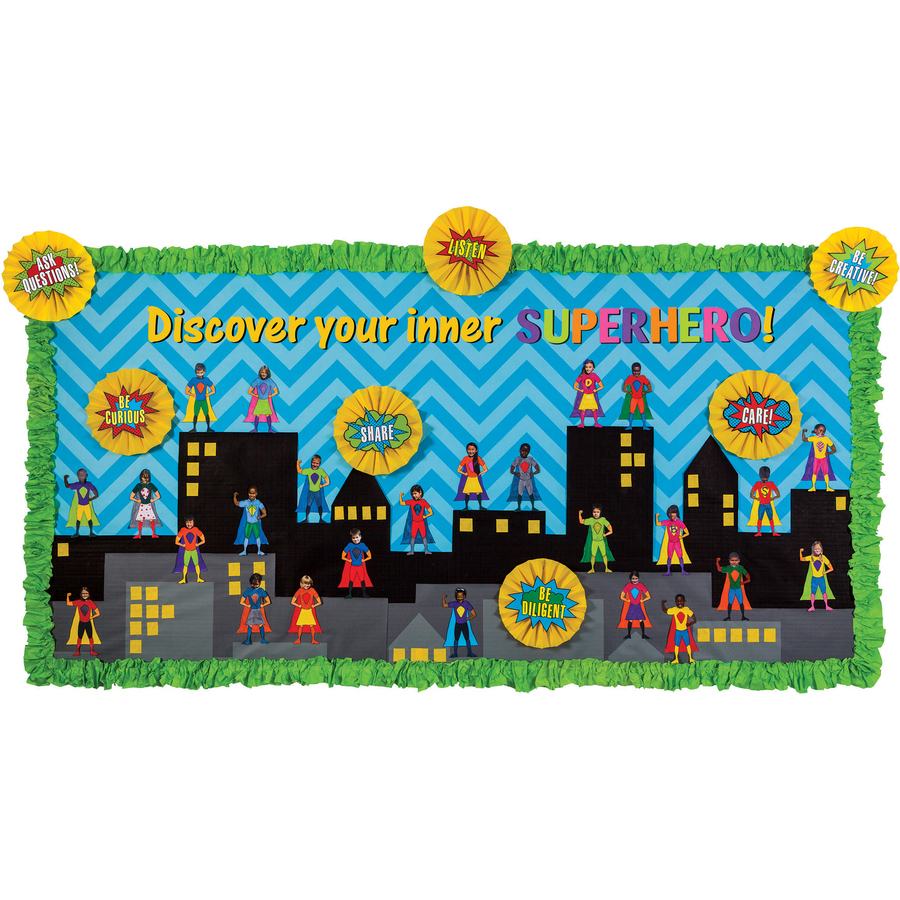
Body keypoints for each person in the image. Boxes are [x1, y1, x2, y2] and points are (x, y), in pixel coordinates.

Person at [399, 485, 435, 555]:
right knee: (413, 537)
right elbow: (401, 503)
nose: (414, 495)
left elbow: (431, 512)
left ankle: (426, 550)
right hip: (414, 523)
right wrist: (400, 496)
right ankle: (412, 551)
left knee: (424, 536)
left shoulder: (423, 501)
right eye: (412, 494)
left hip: (421, 522)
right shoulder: (411, 501)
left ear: (420, 492)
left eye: (415, 493)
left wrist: (425, 516)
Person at [442, 588, 477, 658]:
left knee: (467, 639)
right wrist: (443, 598)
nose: (460, 598)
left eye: (461, 597)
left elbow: (474, 614)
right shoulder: (454, 604)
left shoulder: (466, 603)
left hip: (464, 624)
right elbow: (444, 605)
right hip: (457, 625)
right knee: (456, 639)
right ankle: (455, 653)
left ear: (464, 596)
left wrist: (468, 618)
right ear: (456, 597)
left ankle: (470, 653)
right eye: (458, 597)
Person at [662, 594, 697, 664]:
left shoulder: (686, 609)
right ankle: (676, 659)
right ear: (675, 602)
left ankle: (690, 658)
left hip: (685, 631)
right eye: (677, 601)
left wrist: (690, 624)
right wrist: (662, 604)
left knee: (688, 644)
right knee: (676, 645)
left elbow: (694, 619)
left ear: (684, 602)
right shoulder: (674, 610)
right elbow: (665, 611)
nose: (679, 603)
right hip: (678, 631)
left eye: (681, 601)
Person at [800, 424, 837, 491]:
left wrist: (828, 453)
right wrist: (803, 432)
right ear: (816, 430)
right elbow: (804, 439)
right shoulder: (814, 438)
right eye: (820, 430)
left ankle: (827, 487)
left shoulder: (826, 439)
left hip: (823, 459)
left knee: (825, 473)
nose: (822, 433)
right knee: (814, 473)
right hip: (816, 459)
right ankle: (813, 487)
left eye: (823, 431)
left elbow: (834, 450)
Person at [63, 469, 100, 535]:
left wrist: (91, 499)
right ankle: (77, 533)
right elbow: (67, 486)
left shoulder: (89, 484)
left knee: (89, 519)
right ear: (77, 477)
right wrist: (65, 478)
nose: (81, 477)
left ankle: (91, 532)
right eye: (79, 475)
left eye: (83, 475)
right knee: (78, 519)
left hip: (87, 506)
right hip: (80, 506)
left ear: (86, 475)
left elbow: (96, 495)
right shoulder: (77, 485)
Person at [655, 505, 690, 575]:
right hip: (670, 543)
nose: (672, 515)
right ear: (669, 514)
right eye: (671, 513)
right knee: (669, 557)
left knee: (680, 556)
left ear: (677, 513)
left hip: (677, 543)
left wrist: (681, 537)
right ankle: (668, 571)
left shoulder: (679, 522)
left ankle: (683, 570)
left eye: (674, 513)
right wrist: (656, 516)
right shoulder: (668, 522)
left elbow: (687, 533)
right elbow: (658, 523)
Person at [800, 541, 834, 611]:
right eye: (815, 549)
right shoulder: (811, 557)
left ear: (821, 549)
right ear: (813, 550)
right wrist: (800, 552)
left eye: (819, 548)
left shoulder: (823, 558)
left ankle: (826, 606)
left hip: (821, 578)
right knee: (813, 593)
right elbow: (802, 559)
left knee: (824, 592)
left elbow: (831, 568)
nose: (817, 550)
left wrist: (825, 572)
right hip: (814, 579)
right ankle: (812, 606)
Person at [579, 505, 614, 573]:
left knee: (604, 555)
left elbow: (611, 530)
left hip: (601, 541)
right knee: (593, 555)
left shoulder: (603, 520)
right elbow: (581, 521)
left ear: (600, 512)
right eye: (594, 512)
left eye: (597, 512)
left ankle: (606, 568)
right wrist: (579, 514)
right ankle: (592, 569)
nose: (596, 513)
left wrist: (605, 534)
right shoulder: (591, 520)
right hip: (594, 541)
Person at [128, 469, 162, 538]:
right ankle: (139, 534)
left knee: (151, 519)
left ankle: (153, 533)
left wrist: (153, 500)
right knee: (141, 520)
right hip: (142, 506)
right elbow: (131, 497)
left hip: (149, 505)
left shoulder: (151, 485)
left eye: (147, 477)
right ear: (141, 477)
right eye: (144, 477)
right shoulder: (138, 486)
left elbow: (158, 496)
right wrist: (137, 500)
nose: (145, 479)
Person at [238, 574, 271, 644]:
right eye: (253, 584)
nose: (255, 586)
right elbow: (241, 601)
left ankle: (262, 639)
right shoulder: (249, 590)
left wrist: (263, 605)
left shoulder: (261, 590)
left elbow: (268, 601)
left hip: (258, 610)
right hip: (252, 610)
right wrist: (247, 605)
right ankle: (248, 640)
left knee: (260, 624)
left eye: (257, 584)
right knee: (250, 625)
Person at [244, 365, 279, 433]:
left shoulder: (269, 381)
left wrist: (271, 395)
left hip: (266, 401)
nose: (264, 374)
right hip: (259, 401)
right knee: (257, 414)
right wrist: (255, 395)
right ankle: (255, 429)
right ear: (260, 373)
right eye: (262, 372)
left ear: (268, 373)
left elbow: (276, 392)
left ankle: (269, 429)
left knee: (267, 414)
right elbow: (249, 391)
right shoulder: (257, 380)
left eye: (265, 373)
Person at [716, 552, 751, 620]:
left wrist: (745, 582)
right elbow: (719, 569)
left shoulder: (740, 568)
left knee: (741, 603)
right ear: (729, 561)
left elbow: (747, 575)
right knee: (730, 603)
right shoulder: (728, 568)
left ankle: (743, 616)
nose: (734, 562)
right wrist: (717, 562)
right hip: (731, 589)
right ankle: (729, 616)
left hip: (738, 589)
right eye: (732, 560)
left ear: (739, 560)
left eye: (736, 560)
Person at [233, 487, 267, 556]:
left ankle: (259, 551)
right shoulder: (246, 502)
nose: (252, 495)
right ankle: (244, 551)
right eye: (250, 493)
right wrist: (234, 496)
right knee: (246, 537)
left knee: (257, 537)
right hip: (248, 524)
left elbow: (265, 513)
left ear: (256, 494)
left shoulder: (258, 502)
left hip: (255, 523)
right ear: (248, 494)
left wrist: (260, 517)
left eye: (253, 493)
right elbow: (236, 503)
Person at [507, 442, 541, 510]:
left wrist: (533, 474)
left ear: (528, 452)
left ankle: (533, 507)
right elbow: (511, 469)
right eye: (523, 450)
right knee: (520, 494)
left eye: (526, 451)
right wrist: (516, 474)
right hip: (521, 480)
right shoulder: (518, 459)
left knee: (531, 493)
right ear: (520, 450)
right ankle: (519, 507)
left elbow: (538, 469)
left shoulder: (530, 459)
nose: (524, 452)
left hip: (528, 480)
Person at [748, 466, 781, 536]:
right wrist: (772, 498)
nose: (764, 479)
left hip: (766, 505)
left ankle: (772, 532)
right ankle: (760, 532)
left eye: (765, 477)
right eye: (764, 477)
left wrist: (756, 498)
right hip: (763, 505)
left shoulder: (764, 484)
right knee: (761, 518)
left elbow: (778, 494)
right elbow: (778, 494)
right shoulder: (762, 484)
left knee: (769, 518)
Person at [570, 359, 604, 427]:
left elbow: (601, 386)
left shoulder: (594, 375)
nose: (588, 369)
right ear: (584, 368)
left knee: (594, 409)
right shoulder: (582, 376)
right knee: (583, 410)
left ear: (593, 368)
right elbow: (575, 386)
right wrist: (580, 390)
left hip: (591, 396)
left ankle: (596, 423)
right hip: (585, 396)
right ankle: (582, 424)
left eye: (590, 367)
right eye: (586, 367)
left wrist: (596, 390)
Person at [455, 442, 489, 509]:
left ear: (476, 450)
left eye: (472, 449)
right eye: (469, 449)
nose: (470, 451)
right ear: (466, 450)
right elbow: (458, 470)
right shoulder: (465, 458)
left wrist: (479, 473)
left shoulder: (478, 458)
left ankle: (480, 506)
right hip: (469, 479)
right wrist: (464, 473)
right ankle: (466, 507)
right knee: (467, 493)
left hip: (475, 479)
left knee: (478, 492)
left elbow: (485, 469)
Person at [67, 587, 100, 657]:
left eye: (86, 593)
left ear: (88, 594)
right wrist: (67, 596)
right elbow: (68, 603)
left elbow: (98, 613)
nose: (85, 595)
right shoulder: (79, 602)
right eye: (83, 593)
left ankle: (92, 651)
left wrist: (92, 617)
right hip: (81, 623)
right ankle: (77, 651)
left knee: (90, 637)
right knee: (79, 637)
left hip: (88, 623)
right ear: (81, 594)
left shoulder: (91, 602)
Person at [340, 528, 372, 598]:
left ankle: (364, 594)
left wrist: (364, 560)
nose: (355, 539)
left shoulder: (362, 545)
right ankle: (350, 594)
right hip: (353, 567)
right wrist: (348, 560)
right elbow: (343, 556)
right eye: (353, 538)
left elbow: (369, 556)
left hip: (360, 567)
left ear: (360, 537)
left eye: (357, 537)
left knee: (362, 580)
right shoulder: (350, 545)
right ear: (351, 538)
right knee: (351, 580)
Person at [297, 455, 330, 523]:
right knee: (308, 505)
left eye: (317, 463)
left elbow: (327, 481)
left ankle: (320, 519)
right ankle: (306, 519)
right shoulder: (309, 470)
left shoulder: (320, 471)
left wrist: (322, 485)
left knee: (319, 505)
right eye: (313, 463)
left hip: (318, 492)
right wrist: (297, 463)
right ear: (311, 462)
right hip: (310, 492)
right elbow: (299, 471)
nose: (315, 465)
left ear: (319, 464)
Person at [289, 575, 323, 644]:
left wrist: (314, 605)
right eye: (305, 583)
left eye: (308, 584)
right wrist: (298, 605)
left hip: (309, 611)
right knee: (300, 625)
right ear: (302, 583)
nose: (307, 585)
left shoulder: (312, 590)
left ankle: (313, 640)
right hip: (303, 611)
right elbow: (292, 601)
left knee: (311, 625)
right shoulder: (300, 590)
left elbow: (319, 602)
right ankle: (299, 639)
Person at [184, 362, 216, 432]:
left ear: (204, 372)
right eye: (198, 372)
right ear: (195, 372)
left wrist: (208, 394)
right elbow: (186, 391)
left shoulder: (206, 380)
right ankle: (194, 428)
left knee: (206, 414)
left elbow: (213, 390)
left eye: (201, 372)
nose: (199, 374)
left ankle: (208, 428)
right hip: (197, 401)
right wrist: (192, 394)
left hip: (204, 401)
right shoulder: (193, 380)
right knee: (195, 415)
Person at [620, 362, 653, 430]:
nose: (636, 372)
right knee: (631, 412)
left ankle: (644, 426)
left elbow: (650, 388)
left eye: (638, 371)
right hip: (633, 399)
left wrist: (645, 392)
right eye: (634, 371)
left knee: (642, 412)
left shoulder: (643, 378)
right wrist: (629, 392)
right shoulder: (630, 378)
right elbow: (624, 388)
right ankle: (630, 426)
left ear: (640, 370)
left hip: (640, 399)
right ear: (632, 370)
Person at [174, 515, 207, 583]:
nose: (189, 524)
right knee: (185, 565)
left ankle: (198, 578)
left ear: (193, 522)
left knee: (196, 564)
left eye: (190, 522)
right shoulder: (183, 530)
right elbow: (176, 541)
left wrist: (198, 544)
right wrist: (182, 545)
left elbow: (203, 540)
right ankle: (184, 579)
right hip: (187, 551)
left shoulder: (195, 529)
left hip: (194, 551)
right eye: (187, 522)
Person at [618, 572, 651, 639]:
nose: (634, 580)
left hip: (638, 605)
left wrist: (642, 600)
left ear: (638, 578)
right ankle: (629, 634)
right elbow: (621, 596)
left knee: (641, 620)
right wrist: (627, 600)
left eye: (636, 578)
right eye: (633, 578)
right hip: (632, 606)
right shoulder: (628, 585)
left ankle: (643, 634)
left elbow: (648, 596)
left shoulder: (641, 585)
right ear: (630, 579)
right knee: (630, 620)